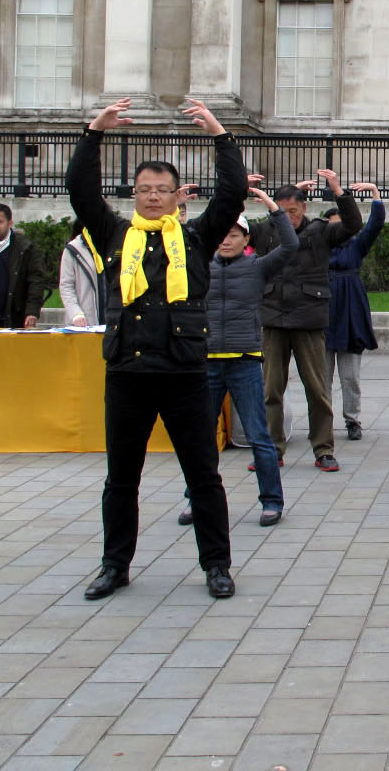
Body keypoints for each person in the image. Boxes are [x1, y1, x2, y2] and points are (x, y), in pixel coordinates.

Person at [68, 96, 245, 602]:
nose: (152, 197)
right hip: (128, 371)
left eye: (161, 190)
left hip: (183, 373)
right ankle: (114, 566)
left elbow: (232, 193)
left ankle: (216, 565)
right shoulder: (113, 233)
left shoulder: (196, 237)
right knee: (121, 480)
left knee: (204, 476)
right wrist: (94, 133)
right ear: (135, 193)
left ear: (175, 196)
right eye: (144, 189)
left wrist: (220, 135)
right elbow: (80, 190)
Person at [188, 189, 298, 528]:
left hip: (244, 361)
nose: (226, 240)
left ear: (246, 238)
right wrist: (182, 204)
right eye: (222, 234)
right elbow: (179, 238)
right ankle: (196, 500)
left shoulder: (257, 267)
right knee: (199, 438)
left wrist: (272, 207)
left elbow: (290, 245)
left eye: (234, 235)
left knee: (258, 436)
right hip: (207, 362)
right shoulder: (200, 265)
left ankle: (272, 501)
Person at [253, 172, 364, 470]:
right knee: (271, 390)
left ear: (304, 207)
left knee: (317, 389)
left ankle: (323, 449)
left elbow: (353, 225)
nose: (288, 217)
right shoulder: (265, 232)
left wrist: (339, 191)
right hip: (273, 319)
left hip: (309, 320)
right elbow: (227, 227)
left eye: (293, 210)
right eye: (282, 211)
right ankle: (272, 450)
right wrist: (241, 191)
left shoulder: (320, 232)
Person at [325, 184, 385, 440]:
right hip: (322, 314)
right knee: (321, 377)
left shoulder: (356, 246)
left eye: (341, 225)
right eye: (332, 227)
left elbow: (374, 225)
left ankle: (352, 419)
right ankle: (322, 420)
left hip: (350, 313)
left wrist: (375, 193)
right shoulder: (317, 247)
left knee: (350, 376)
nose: (338, 231)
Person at [60, 219, 108, 327]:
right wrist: (75, 314)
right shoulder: (72, 249)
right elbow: (66, 286)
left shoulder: (115, 245)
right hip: (84, 322)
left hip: (111, 321)